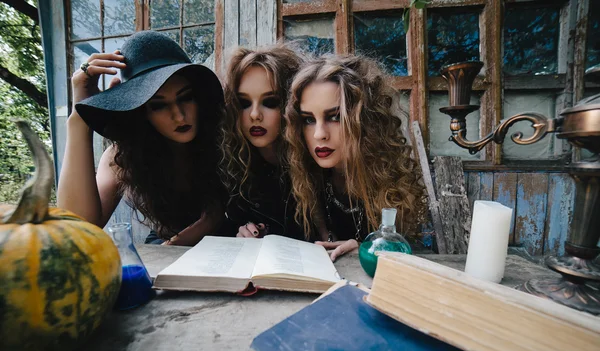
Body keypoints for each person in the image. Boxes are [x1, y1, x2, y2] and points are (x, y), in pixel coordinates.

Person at [57, 30, 226, 246]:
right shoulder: (125, 155)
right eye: (158, 105)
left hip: (231, 246)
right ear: (141, 111)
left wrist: (177, 244)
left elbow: (216, 216)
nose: (179, 115)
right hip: (168, 249)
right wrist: (80, 116)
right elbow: (76, 227)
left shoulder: (224, 138)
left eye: (186, 98)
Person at [285, 55, 427, 260]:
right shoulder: (304, 178)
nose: (319, 134)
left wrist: (366, 250)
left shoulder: (390, 183)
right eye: (308, 119)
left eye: (335, 117)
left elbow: (408, 257)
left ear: (365, 121)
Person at [219, 44, 306, 240]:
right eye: (244, 103)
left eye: (270, 102)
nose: (255, 115)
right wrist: (245, 232)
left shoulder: (316, 160)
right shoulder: (231, 160)